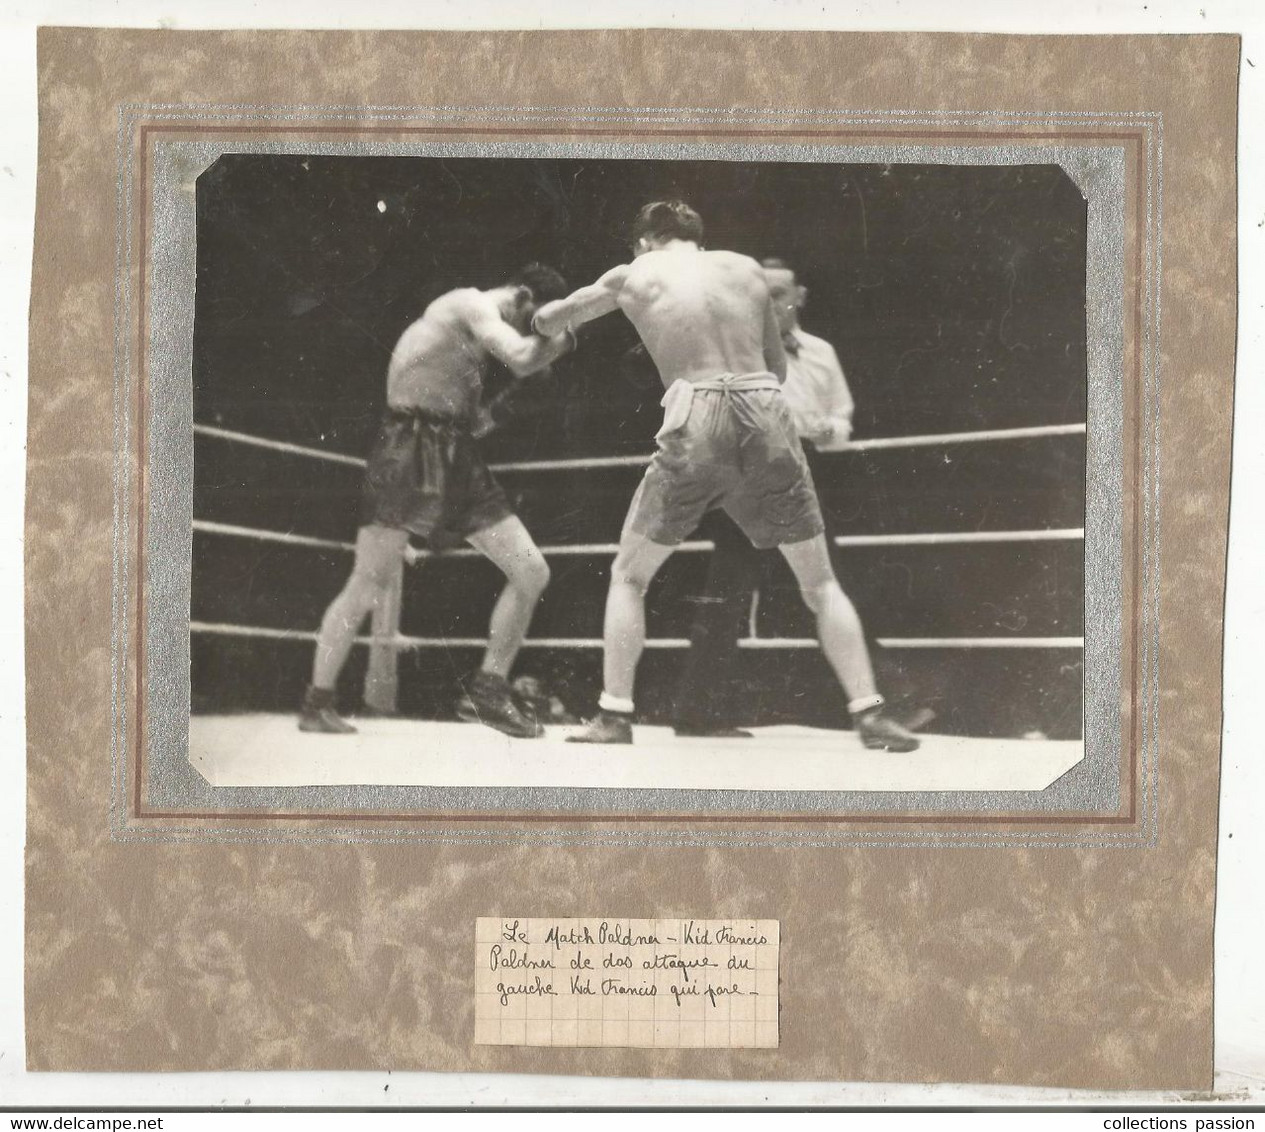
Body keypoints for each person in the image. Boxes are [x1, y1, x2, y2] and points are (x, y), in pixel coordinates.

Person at [531, 201, 918, 751]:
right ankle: (870, 714)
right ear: (696, 237)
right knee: (820, 581)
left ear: (644, 242)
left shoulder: (631, 274)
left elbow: (552, 319)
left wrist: (542, 323)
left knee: (630, 576)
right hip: (766, 409)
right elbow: (777, 368)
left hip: (697, 412)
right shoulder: (745, 268)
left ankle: (614, 716)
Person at [299, 264, 576, 738]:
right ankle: (317, 701)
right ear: (522, 295)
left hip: (457, 451)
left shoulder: (477, 334)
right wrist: (566, 333)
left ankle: (488, 690)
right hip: (408, 445)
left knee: (531, 570)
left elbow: (492, 406)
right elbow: (525, 357)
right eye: (532, 320)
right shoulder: (472, 304)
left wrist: (505, 404)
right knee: (368, 580)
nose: (531, 331)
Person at [672, 258, 859, 737]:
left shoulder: (822, 352)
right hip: (746, 477)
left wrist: (826, 429)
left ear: (800, 294)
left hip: (804, 473)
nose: (771, 303)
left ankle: (880, 702)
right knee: (731, 588)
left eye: (779, 293)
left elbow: (842, 419)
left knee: (830, 583)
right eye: (764, 294)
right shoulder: (737, 350)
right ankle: (697, 711)